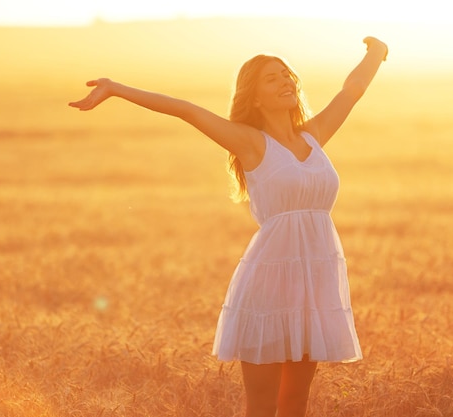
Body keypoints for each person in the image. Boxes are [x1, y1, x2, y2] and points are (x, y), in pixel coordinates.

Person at [69, 36, 387, 417]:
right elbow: (186, 110)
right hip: (269, 286)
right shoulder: (251, 143)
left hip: (313, 285)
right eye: (271, 78)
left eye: (286, 74)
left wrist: (376, 53)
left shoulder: (314, 135)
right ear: (254, 98)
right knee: (263, 405)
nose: (285, 80)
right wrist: (117, 89)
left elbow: (351, 91)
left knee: (296, 402)